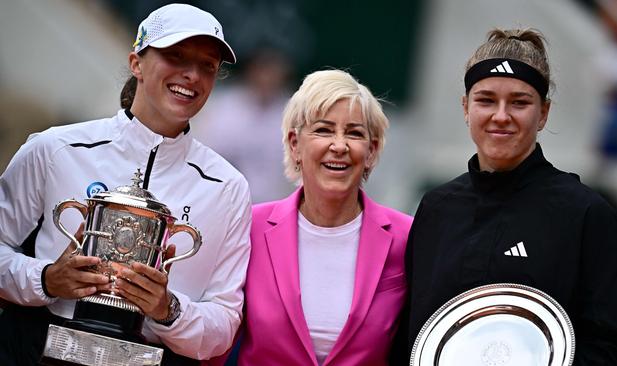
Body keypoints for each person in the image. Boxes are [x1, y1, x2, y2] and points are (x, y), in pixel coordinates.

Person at [0, 4, 251, 365]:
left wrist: (168, 309)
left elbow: (224, 324)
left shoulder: (228, 187)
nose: (192, 75)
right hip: (33, 349)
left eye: (207, 66)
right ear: (136, 63)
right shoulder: (54, 148)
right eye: (176, 56)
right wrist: (47, 279)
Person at [391, 28, 617, 365]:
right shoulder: (437, 207)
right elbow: (412, 340)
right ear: (466, 107)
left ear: (544, 113)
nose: (501, 115)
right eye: (486, 100)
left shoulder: (589, 215)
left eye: (519, 102)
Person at [230, 69, 412, 365]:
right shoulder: (249, 227)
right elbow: (214, 338)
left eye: (354, 133)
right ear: (294, 144)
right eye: (324, 130)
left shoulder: (407, 237)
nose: (339, 146)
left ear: (371, 151)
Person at [193, 46, 294, 203]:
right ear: (251, 70)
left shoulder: (294, 113)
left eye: (274, 70)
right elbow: (205, 158)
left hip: (275, 207)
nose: (268, 77)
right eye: (263, 69)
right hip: (225, 202)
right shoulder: (224, 106)